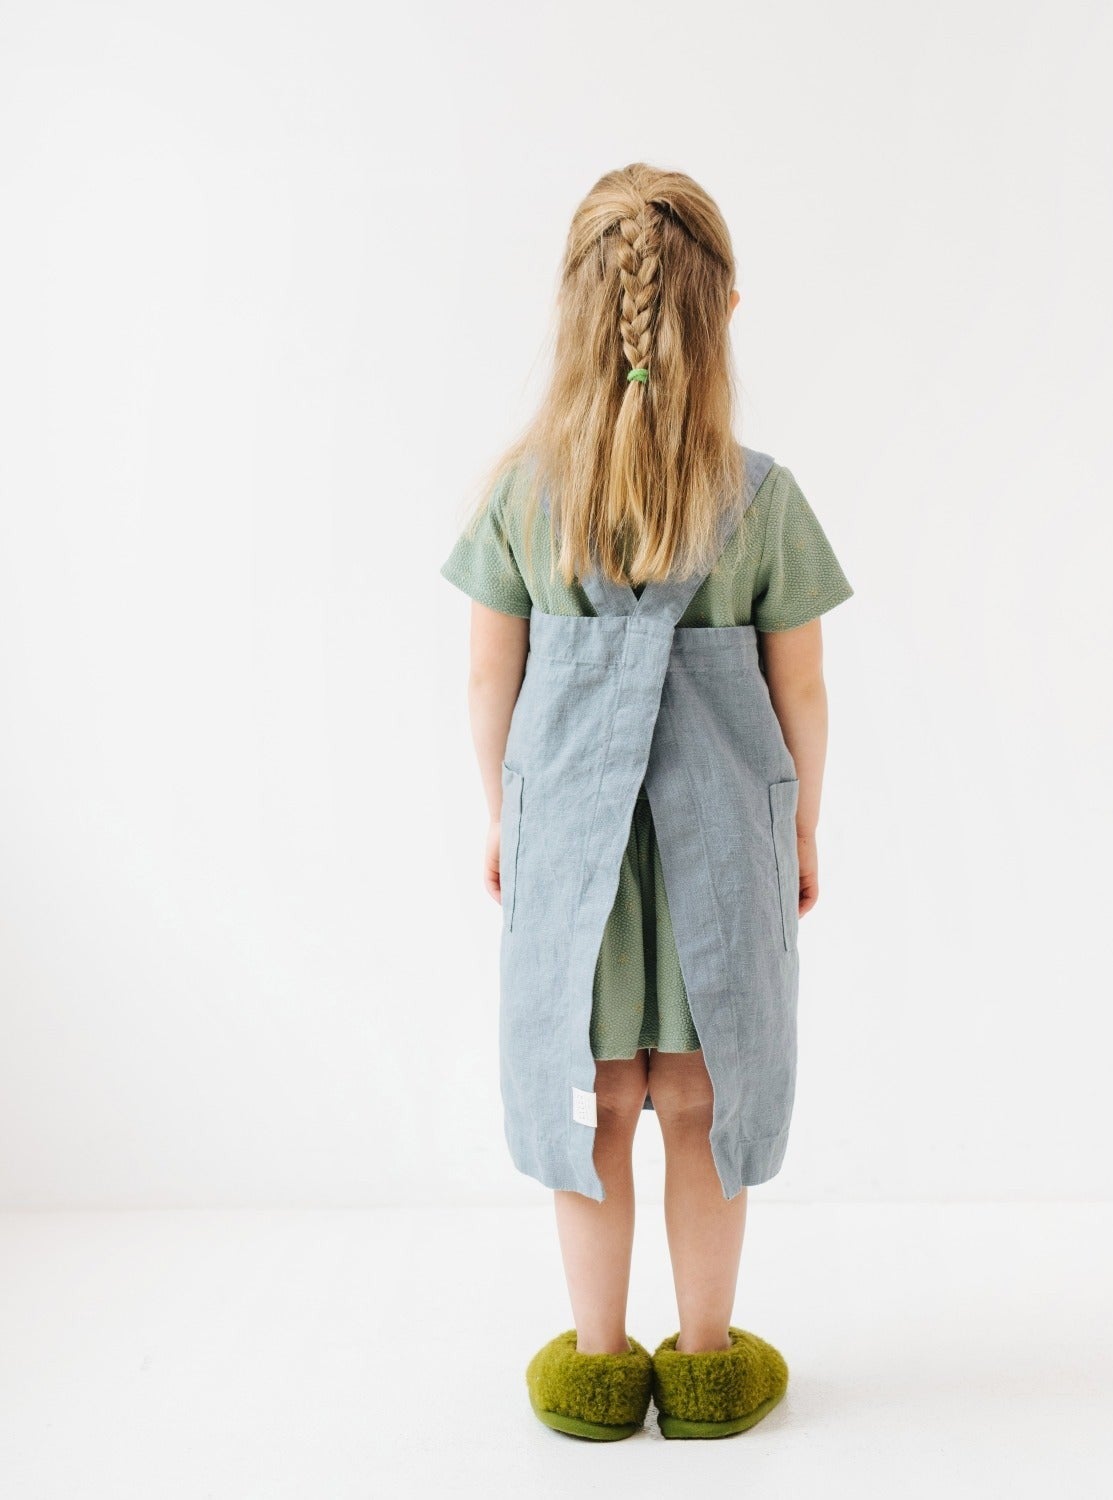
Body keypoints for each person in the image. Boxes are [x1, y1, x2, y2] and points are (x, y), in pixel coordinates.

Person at [440, 162, 854, 1441]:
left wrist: (504, 816)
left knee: (597, 1102)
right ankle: (711, 1365)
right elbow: (802, 690)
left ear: (577, 311)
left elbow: (489, 678)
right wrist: (802, 824)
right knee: (699, 1096)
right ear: (721, 312)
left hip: (577, 851)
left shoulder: (524, 498)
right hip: (716, 851)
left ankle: (600, 1364)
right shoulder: (761, 500)